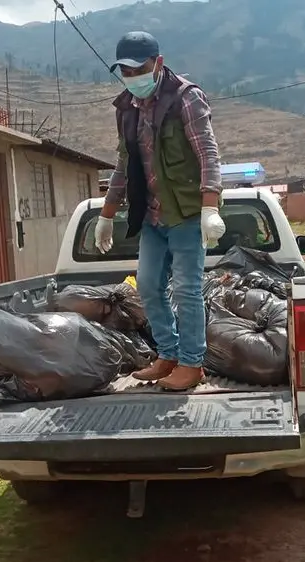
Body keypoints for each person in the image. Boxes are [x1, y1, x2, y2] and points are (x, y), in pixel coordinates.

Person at [94, 31, 225, 391]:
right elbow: (124, 164)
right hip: (151, 216)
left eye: (139, 69)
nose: (133, 77)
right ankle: (167, 355)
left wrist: (210, 208)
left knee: (186, 289)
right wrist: (107, 214)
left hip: (185, 214)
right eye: (125, 71)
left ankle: (191, 363)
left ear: (158, 64)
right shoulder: (126, 108)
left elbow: (208, 154)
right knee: (149, 286)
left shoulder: (186, 98)